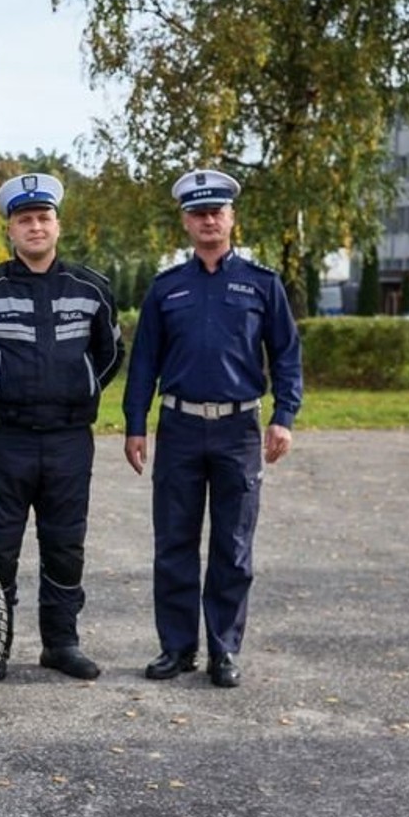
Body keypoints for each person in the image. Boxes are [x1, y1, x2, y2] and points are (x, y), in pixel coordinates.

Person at [0, 172, 123, 682]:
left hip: (68, 441)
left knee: (66, 545)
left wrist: (79, 389)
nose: (35, 227)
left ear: (57, 225)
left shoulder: (91, 288)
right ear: (10, 231)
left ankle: (61, 644)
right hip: (5, 442)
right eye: (25, 220)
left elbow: (110, 355)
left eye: (43, 218)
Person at [122, 169, 303, 689]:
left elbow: (287, 356)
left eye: (216, 211)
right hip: (178, 426)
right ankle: (177, 649)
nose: (208, 220)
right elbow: (144, 364)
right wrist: (136, 425)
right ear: (185, 221)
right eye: (198, 213)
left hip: (238, 430)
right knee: (174, 543)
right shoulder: (166, 289)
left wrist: (284, 417)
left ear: (231, 218)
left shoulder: (262, 284)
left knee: (233, 544)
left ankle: (224, 649)